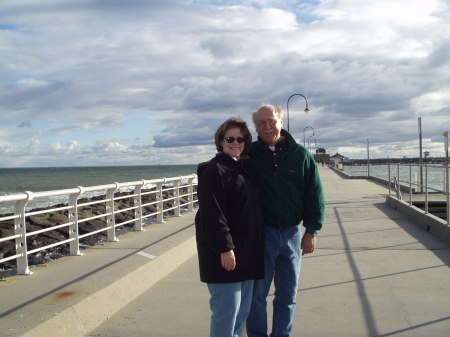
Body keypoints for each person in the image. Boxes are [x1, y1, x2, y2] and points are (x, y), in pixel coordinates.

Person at [246, 104, 325, 337]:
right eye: (261, 123)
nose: (267, 126)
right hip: (261, 236)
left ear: (280, 121)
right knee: (257, 295)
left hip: (291, 235)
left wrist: (311, 230)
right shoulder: (249, 155)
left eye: (271, 121)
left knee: (287, 296)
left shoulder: (300, 155)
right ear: (256, 127)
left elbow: (314, 194)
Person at [195, 117, 265, 337]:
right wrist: (225, 249)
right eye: (230, 138)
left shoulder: (240, 169)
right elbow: (212, 215)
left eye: (241, 138)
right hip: (226, 257)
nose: (236, 143)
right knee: (226, 314)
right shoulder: (215, 171)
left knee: (241, 314)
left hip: (246, 255)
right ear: (221, 141)